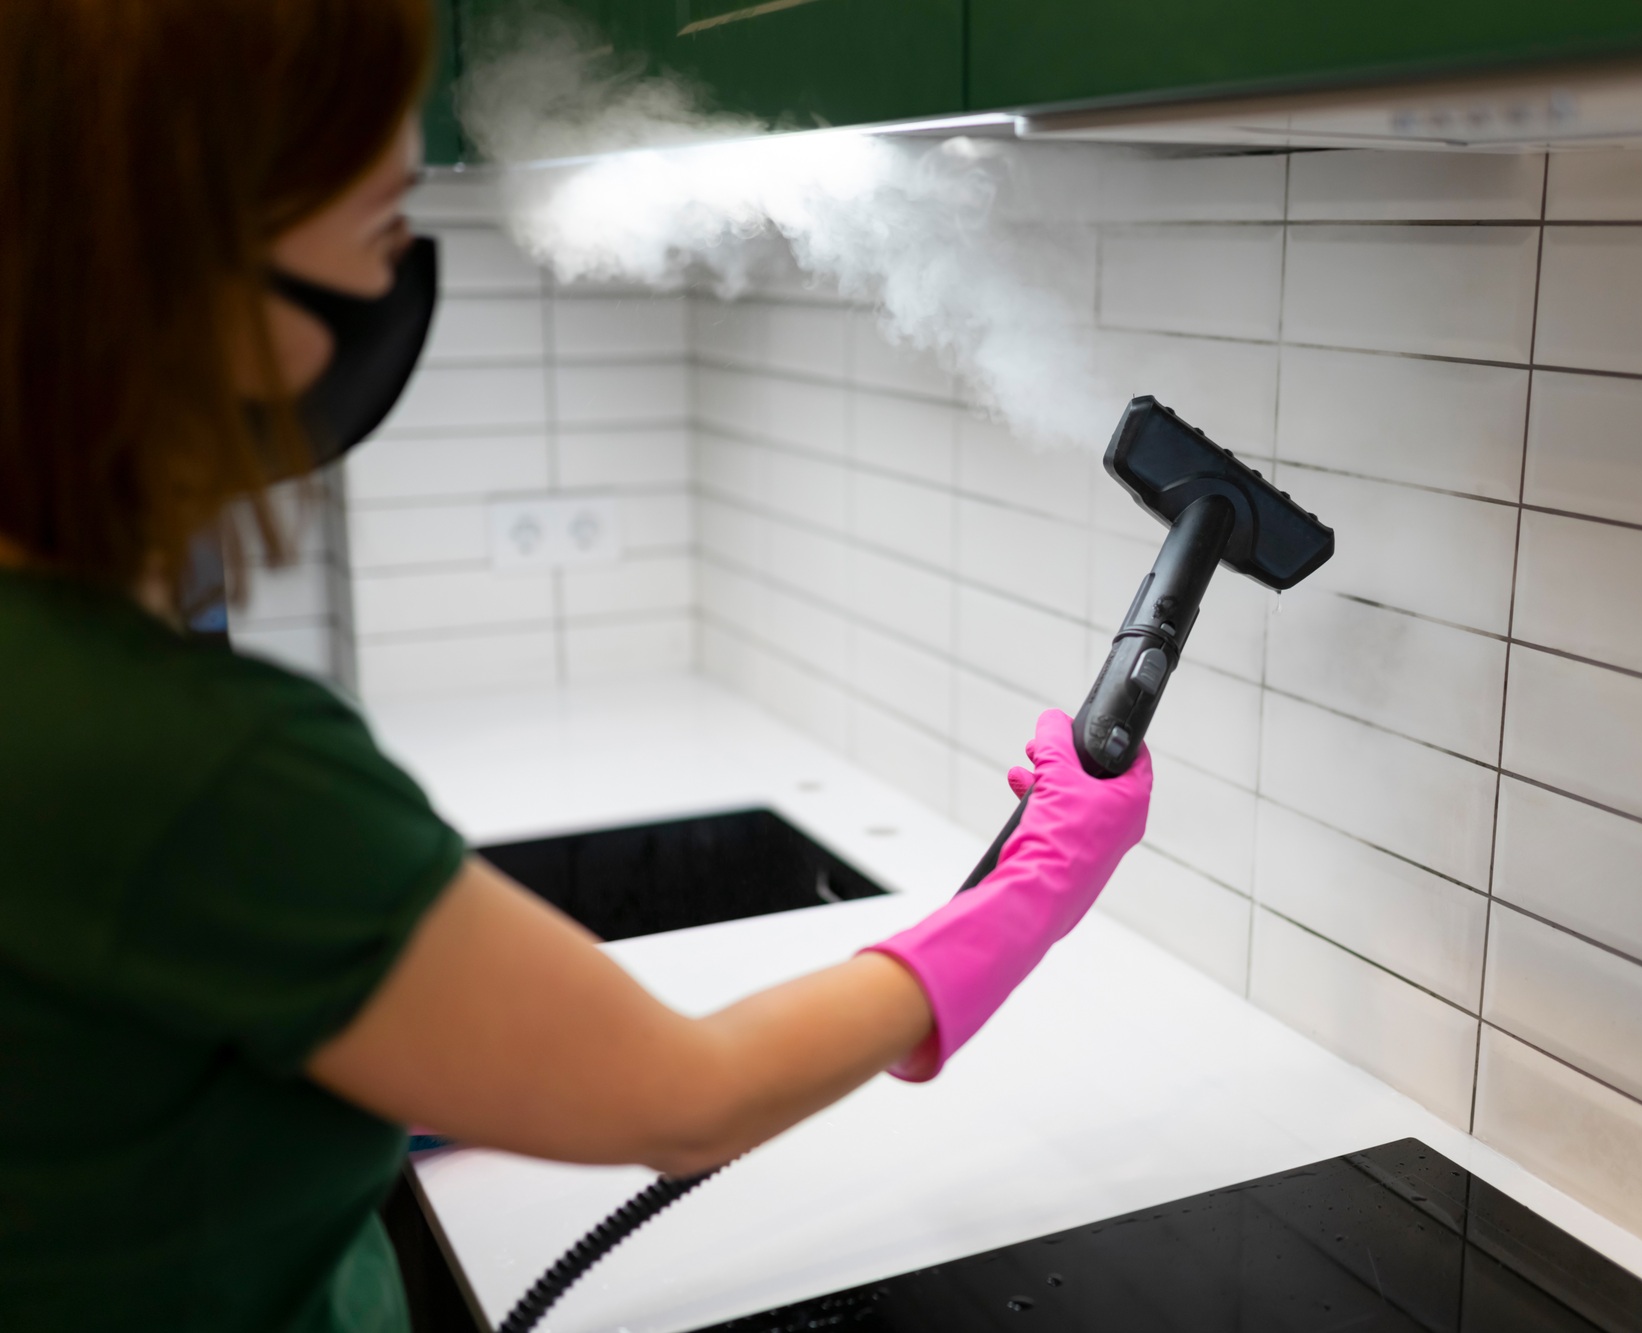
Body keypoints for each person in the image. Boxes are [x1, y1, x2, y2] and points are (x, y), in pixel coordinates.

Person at [0, 3, 1153, 1330]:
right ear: (184, 272)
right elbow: (686, 1095)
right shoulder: (200, 764)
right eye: (382, 229)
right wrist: (1031, 891)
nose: (401, 273)